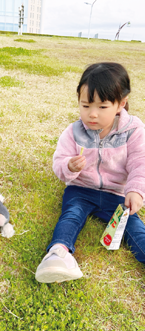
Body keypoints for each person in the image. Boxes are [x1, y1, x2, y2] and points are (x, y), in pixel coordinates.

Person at [35, 62, 145, 284]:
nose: (92, 114)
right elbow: (59, 163)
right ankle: (58, 254)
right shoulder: (73, 132)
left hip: (117, 193)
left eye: (102, 107)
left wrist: (136, 190)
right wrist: (69, 166)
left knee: (135, 228)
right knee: (71, 215)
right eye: (85, 106)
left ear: (121, 104)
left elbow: (140, 163)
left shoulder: (133, 130)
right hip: (81, 189)